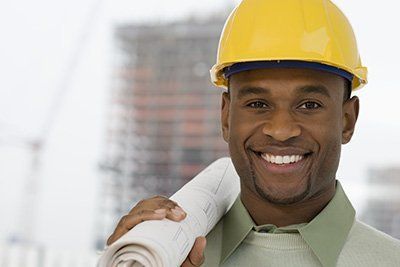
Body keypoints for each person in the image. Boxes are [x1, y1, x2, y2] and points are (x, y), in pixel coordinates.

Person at [105, 0, 400, 266]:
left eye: (309, 104)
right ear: (226, 116)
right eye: (257, 104)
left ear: (347, 120)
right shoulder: (162, 253)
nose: (281, 131)